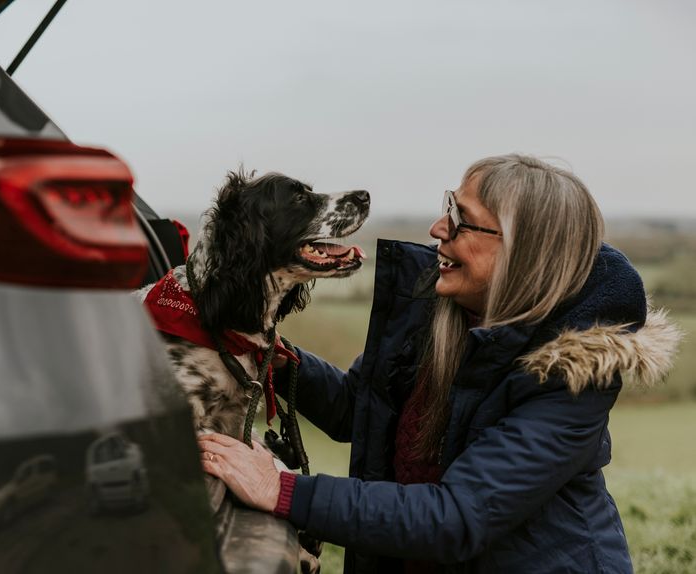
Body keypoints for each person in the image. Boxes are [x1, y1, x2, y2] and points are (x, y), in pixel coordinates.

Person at [199, 154, 682, 573]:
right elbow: (359, 408)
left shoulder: (571, 377)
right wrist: (277, 362)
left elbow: (456, 517)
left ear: (523, 252)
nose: (437, 229)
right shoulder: (440, 313)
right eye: (446, 205)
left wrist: (282, 489)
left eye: (461, 218)